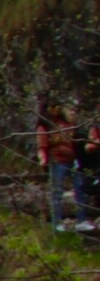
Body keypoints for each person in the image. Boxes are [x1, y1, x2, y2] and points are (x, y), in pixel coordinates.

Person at [40, 87, 86, 232]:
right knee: (57, 191)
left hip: (72, 159)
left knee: (80, 188)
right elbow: (42, 144)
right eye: (52, 107)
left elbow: (75, 139)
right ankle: (57, 222)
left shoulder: (66, 124)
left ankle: (82, 219)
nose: (55, 110)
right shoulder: (45, 126)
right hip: (57, 160)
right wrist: (43, 159)